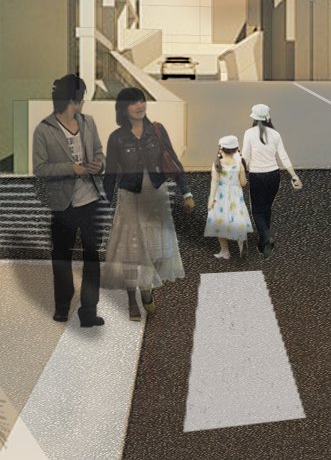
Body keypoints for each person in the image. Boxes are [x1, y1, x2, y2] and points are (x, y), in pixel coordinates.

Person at [104, 88, 186, 321]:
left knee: (153, 251)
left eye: (142, 100)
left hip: (157, 198)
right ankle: (132, 300)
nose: (140, 105)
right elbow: (110, 173)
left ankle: (146, 290)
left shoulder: (157, 131)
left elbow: (173, 161)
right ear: (123, 109)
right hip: (130, 199)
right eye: (133, 103)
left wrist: (186, 189)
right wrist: (103, 203)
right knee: (132, 251)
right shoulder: (116, 138)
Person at [33, 74, 107, 326]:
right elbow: (40, 168)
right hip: (62, 205)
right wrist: (71, 168)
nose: (82, 104)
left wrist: (99, 164)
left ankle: (89, 311)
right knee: (61, 257)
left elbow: (99, 153)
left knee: (92, 256)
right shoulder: (44, 129)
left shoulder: (89, 123)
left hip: (90, 201)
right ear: (71, 100)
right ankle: (62, 306)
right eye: (80, 99)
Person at [239, 104, 302, 255]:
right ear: (268, 118)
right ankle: (263, 243)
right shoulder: (275, 134)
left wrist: (241, 175)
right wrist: (294, 176)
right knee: (267, 207)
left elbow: (245, 157)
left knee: (257, 210)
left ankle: (266, 237)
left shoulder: (249, 133)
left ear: (253, 118)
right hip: (274, 175)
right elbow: (283, 156)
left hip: (257, 176)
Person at [202, 136, 253, 261]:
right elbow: (243, 183)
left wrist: (211, 201)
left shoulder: (217, 164)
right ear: (236, 149)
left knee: (220, 221)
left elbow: (214, 183)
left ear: (221, 148)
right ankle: (241, 244)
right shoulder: (238, 164)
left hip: (221, 196)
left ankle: (225, 251)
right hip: (236, 196)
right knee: (237, 219)